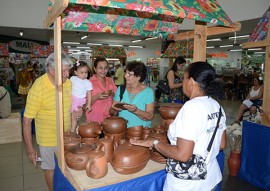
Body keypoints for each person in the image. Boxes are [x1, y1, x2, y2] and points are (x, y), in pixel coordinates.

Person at [131, 61, 227, 191]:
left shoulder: (191, 107)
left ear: (192, 81)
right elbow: (221, 144)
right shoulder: (217, 106)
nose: (183, 83)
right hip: (211, 179)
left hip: (188, 185)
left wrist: (154, 142)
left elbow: (183, 155)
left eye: (184, 78)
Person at [23, 52, 82, 191]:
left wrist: (77, 111)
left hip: (67, 136)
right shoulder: (38, 87)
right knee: (50, 169)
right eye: (64, 71)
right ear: (51, 70)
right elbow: (26, 121)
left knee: (66, 168)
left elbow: (72, 106)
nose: (67, 74)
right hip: (47, 139)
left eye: (68, 70)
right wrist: (30, 148)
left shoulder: (67, 83)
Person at [111, 61, 155, 128]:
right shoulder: (121, 89)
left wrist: (136, 111)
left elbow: (150, 116)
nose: (125, 76)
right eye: (126, 73)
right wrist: (115, 109)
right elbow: (112, 111)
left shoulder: (148, 92)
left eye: (129, 74)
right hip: (122, 130)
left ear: (138, 77)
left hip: (141, 132)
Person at [86, 57, 117, 123]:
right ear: (95, 69)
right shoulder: (88, 83)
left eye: (105, 68)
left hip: (109, 119)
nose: (103, 70)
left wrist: (113, 95)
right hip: (94, 120)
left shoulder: (110, 80)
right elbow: (84, 106)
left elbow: (116, 97)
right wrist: (96, 97)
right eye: (100, 68)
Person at [70, 60, 93, 132]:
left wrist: (89, 104)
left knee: (74, 117)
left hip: (79, 100)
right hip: (71, 98)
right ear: (76, 72)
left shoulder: (87, 82)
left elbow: (89, 93)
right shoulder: (72, 79)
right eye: (82, 73)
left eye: (86, 72)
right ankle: (74, 129)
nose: (84, 74)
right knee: (70, 115)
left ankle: (72, 131)